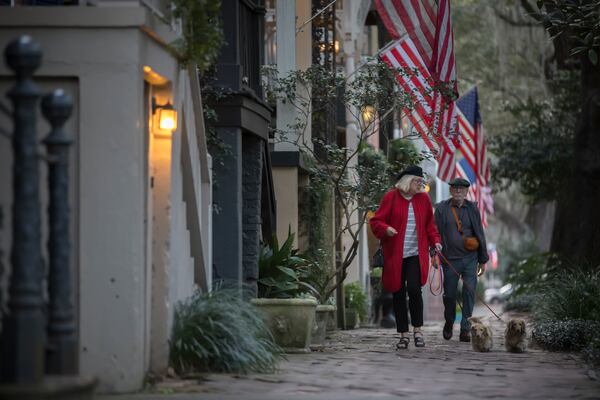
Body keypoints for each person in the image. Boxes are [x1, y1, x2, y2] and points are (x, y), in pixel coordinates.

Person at [369, 165, 442, 349]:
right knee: (398, 292)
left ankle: (418, 330)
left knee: (415, 290)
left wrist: (436, 242)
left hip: (416, 255)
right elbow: (376, 221)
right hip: (395, 255)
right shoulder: (391, 197)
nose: (421, 184)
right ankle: (403, 334)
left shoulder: (424, 199)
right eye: (418, 181)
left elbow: (430, 226)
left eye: (421, 181)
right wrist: (386, 229)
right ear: (408, 181)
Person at [434, 177, 489, 342]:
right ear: (451, 190)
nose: (458, 191)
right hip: (449, 260)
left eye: (462, 189)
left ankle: (465, 329)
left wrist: (483, 259)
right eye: (455, 188)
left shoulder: (472, 208)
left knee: (469, 292)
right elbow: (434, 232)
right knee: (449, 295)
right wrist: (434, 254)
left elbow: (480, 233)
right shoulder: (442, 208)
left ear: (466, 192)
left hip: (470, 259)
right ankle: (449, 322)